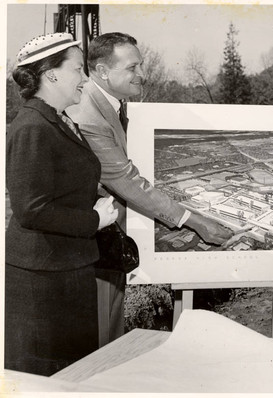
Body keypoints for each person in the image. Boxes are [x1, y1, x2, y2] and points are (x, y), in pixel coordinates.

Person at [67, 32, 232, 345]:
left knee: (109, 330)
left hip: (108, 242)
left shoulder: (114, 104)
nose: (141, 73)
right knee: (103, 338)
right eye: (132, 68)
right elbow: (127, 179)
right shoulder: (88, 114)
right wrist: (194, 220)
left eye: (140, 65)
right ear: (103, 72)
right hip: (93, 247)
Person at [5, 33, 118, 376]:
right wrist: (93, 220)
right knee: (47, 377)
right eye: (78, 69)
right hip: (43, 282)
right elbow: (31, 209)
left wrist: (94, 200)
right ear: (51, 74)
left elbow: (61, 188)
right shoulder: (32, 127)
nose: (85, 78)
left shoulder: (57, 119)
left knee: (73, 374)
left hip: (68, 269)